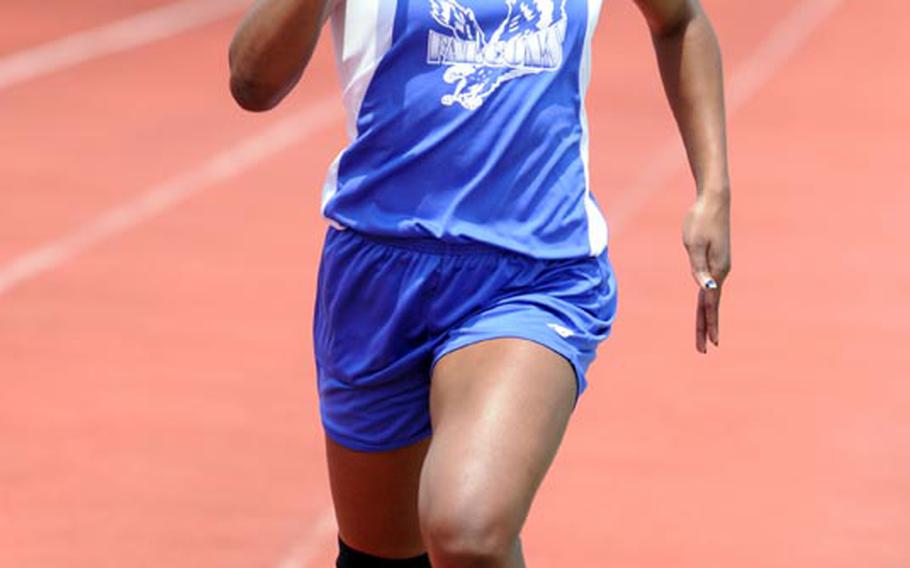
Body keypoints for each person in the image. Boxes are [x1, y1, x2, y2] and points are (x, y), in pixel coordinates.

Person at [228, 0, 731, 565]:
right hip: (377, 277)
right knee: (379, 554)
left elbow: (680, 20)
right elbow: (252, 81)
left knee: (468, 529)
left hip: (534, 273)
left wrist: (713, 192)